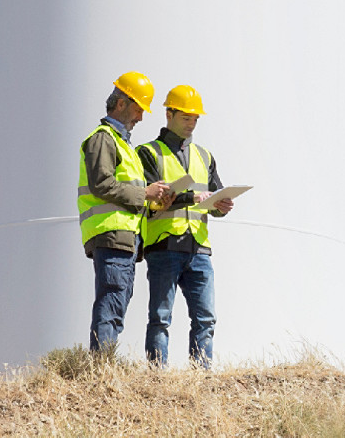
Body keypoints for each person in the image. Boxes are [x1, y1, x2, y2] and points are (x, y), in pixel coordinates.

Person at [137, 84, 234, 368]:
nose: (191, 124)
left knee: (205, 318)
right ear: (168, 114)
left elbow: (214, 194)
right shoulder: (148, 153)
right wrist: (192, 196)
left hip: (199, 249)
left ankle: (200, 376)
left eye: (195, 119)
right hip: (164, 246)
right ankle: (157, 376)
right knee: (160, 317)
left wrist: (221, 206)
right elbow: (152, 197)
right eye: (186, 118)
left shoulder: (205, 156)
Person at [78, 71, 171, 354]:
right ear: (121, 103)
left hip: (125, 239)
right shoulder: (103, 139)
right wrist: (145, 193)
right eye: (139, 108)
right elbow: (102, 184)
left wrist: (154, 200)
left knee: (115, 306)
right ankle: (100, 370)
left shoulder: (123, 144)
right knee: (110, 305)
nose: (141, 117)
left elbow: (127, 191)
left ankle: (102, 367)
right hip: (111, 235)